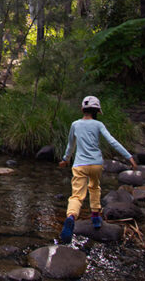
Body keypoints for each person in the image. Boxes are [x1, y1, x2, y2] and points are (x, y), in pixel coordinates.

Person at [57, 95, 137, 244]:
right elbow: (112, 141)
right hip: (96, 164)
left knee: (76, 195)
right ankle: (95, 217)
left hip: (80, 164)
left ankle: (71, 217)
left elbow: (70, 145)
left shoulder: (75, 124)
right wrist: (129, 157)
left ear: (82, 109)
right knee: (94, 188)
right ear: (97, 111)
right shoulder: (98, 125)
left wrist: (65, 159)